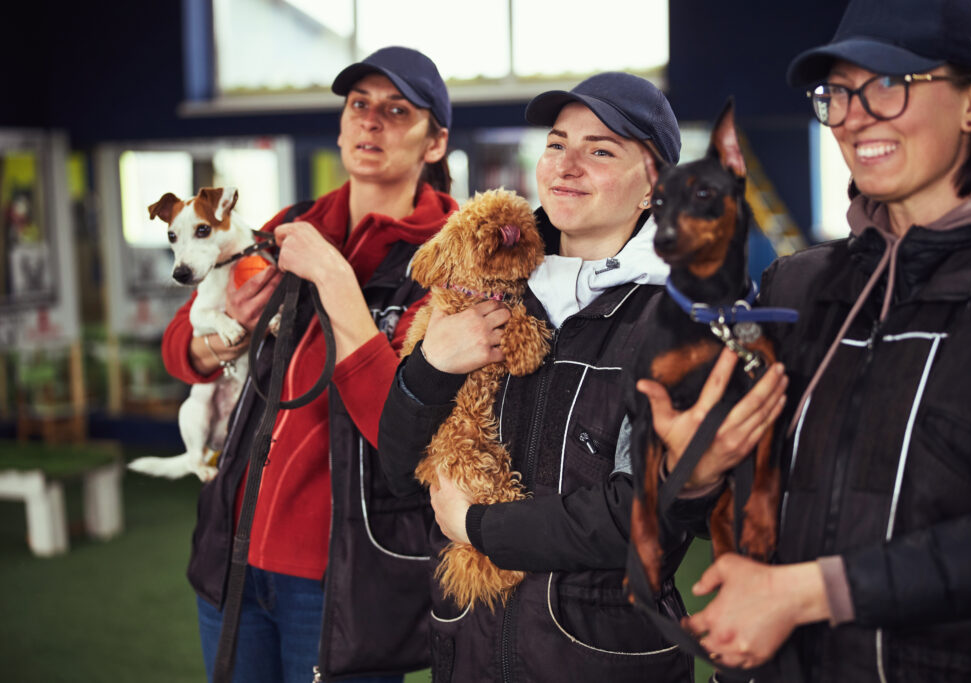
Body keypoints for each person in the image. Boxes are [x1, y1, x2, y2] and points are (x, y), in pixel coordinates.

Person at [648, 0, 971, 680]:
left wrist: (806, 592)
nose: (851, 117)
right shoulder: (798, 289)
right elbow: (725, 499)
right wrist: (699, 473)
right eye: (839, 93)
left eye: (888, 84)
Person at [376, 71, 785, 682]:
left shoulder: (684, 321)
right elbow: (400, 473)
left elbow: (640, 518)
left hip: (602, 660)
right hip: (468, 653)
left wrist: (478, 527)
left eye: (600, 150)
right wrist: (431, 367)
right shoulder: (488, 287)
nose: (566, 166)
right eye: (556, 143)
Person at [160, 46, 459, 683]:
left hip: (345, 573)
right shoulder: (287, 226)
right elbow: (179, 351)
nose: (371, 122)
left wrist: (333, 278)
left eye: (397, 110)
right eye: (359, 105)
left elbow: (405, 435)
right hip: (232, 553)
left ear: (435, 143)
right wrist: (224, 337)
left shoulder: (453, 262)